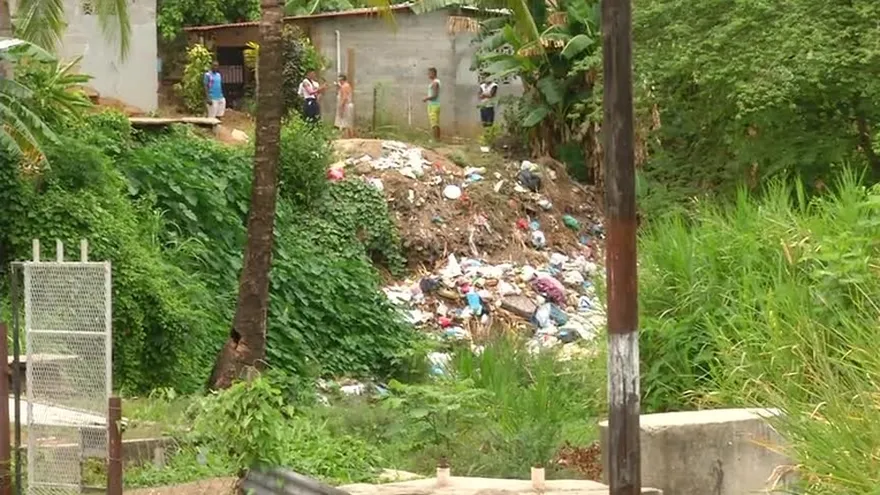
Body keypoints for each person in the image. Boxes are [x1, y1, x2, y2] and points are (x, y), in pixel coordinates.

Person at [421, 67, 441, 140]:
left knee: (434, 123)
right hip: (433, 105)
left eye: (429, 73)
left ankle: (435, 139)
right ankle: (437, 139)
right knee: (435, 123)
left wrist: (426, 98)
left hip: (434, 105)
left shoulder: (435, 83)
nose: (428, 75)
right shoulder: (434, 82)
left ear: (433, 73)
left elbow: (435, 95)